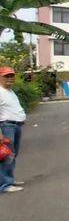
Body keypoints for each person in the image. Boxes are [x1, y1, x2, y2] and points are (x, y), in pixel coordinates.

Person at [0, 66, 26, 194]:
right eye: (6, 76)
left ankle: (9, 179)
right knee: (7, 156)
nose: (10, 78)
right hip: (6, 126)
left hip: (15, 126)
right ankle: (5, 185)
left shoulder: (9, 91)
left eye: (11, 76)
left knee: (12, 154)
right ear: (0, 77)